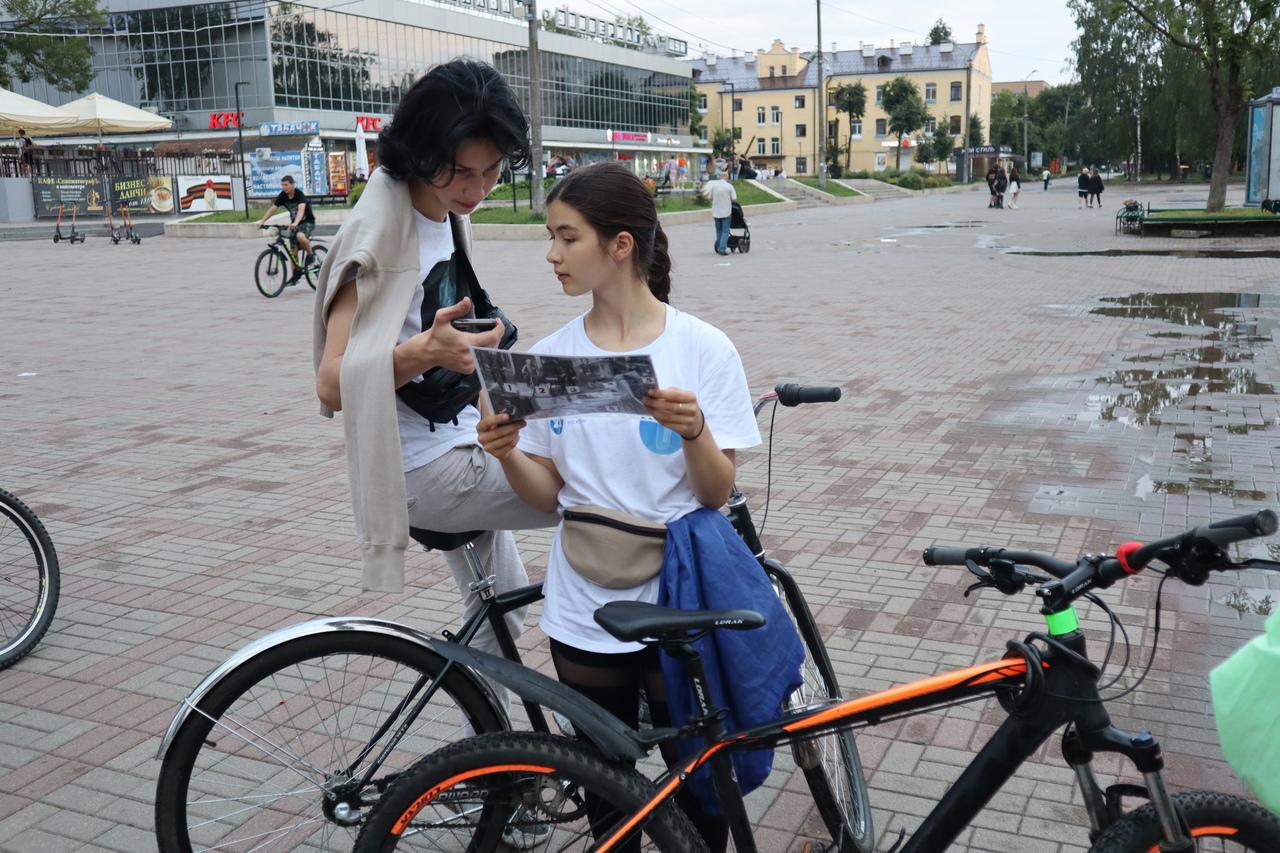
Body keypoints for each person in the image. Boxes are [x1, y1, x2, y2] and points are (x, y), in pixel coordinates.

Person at [475, 161, 771, 853]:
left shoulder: (701, 348)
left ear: (621, 244)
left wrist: (695, 431)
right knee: (609, 792)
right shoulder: (549, 358)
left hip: (679, 600)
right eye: (551, 236)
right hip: (585, 603)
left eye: (566, 237)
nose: (551, 254)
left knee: (697, 789)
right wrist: (507, 453)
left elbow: (714, 493)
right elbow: (550, 497)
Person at [312, 59, 559, 675]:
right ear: (420, 153)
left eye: (492, 170)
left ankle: (493, 761)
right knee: (609, 492)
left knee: (503, 616)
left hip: (459, 439)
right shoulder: (378, 234)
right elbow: (330, 381)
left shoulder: (440, 211)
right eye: (459, 172)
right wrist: (427, 350)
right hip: (424, 468)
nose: (476, 190)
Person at [256, 175, 317, 280]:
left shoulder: (299, 195)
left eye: (286, 185)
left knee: (300, 236)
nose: (284, 187)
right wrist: (263, 221)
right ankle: (294, 276)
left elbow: (301, 210)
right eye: (282, 185)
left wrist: (296, 222)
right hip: (294, 224)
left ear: (293, 185)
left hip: (307, 222)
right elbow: (273, 208)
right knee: (293, 250)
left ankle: (311, 254)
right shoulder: (283, 195)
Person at [707, 170, 736, 255]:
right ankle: (722, 248)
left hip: (716, 211)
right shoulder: (729, 186)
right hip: (726, 211)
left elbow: (710, 197)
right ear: (726, 177)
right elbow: (734, 199)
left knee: (718, 230)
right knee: (725, 230)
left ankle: (719, 246)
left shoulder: (714, 186)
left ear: (720, 177)